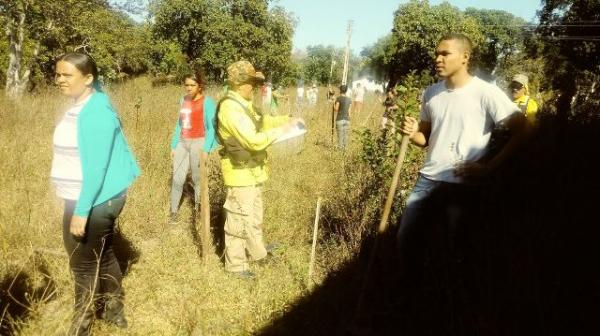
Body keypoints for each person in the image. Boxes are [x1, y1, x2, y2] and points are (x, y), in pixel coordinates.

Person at [396, 33, 527, 260]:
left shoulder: (485, 92)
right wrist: (411, 133)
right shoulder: (431, 93)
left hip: (461, 184)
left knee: (453, 250)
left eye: (445, 53)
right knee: (405, 240)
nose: (438, 58)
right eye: (437, 53)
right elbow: (423, 139)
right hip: (427, 179)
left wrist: (487, 168)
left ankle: (451, 293)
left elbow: (523, 130)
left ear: (465, 57)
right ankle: (405, 288)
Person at [51, 52, 140, 335]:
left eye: (67, 75)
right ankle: (114, 313)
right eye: (57, 74)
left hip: (95, 197)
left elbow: (97, 168)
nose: (60, 80)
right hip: (83, 194)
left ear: (88, 79)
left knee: (83, 263)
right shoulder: (84, 102)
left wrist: (81, 210)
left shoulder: (96, 112)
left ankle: (81, 327)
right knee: (103, 253)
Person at [216, 60, 304, 279]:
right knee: (237, 221)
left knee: (254, 217)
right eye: (250, 83)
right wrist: (282, 131)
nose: (253, 88)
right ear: (239, 83)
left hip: (253, 171)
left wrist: (288, 120)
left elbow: (262, 122)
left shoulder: (243, 104)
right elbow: (254, 140)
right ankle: (235, 266)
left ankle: (258, 253)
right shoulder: (230, 108)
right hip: (239, 174)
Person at [169, 70, 218, 223]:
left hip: (199, 142)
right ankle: (173, 212)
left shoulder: (207, 102)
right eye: (186, 85)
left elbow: (211, 128)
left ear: (200, 86)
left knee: (198, 179)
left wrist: (206, 149)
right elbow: (179, 124)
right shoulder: (182, 100)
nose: (189, 88)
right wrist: (173, 145)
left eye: (192, 85)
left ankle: (198, 211)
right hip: (183, 142)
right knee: (177, 178)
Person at [334, 84, 352, 150]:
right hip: (347, 120)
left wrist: (333, 103)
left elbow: (336, 109)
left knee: (340, 136)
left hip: (340, 119)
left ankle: (340, 151)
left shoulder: (338, 99)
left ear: (340, 90)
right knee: (346, 136)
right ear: (346, 91)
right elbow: (349, 112)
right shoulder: (349, 100)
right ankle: (345, 150)